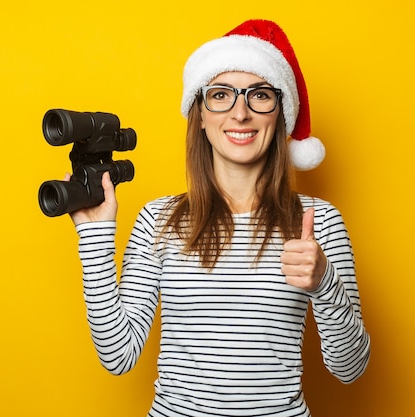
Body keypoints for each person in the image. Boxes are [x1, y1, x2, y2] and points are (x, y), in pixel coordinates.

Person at [67, 19, 370, 417]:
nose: (240, 113)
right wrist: (94, 236)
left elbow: (350, 368)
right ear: (201, 115)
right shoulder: (159, 219)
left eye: (259, 95)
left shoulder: (319, 221)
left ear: (280, 114)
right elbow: (118, 355)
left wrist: (323, 282)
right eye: (221, 95)